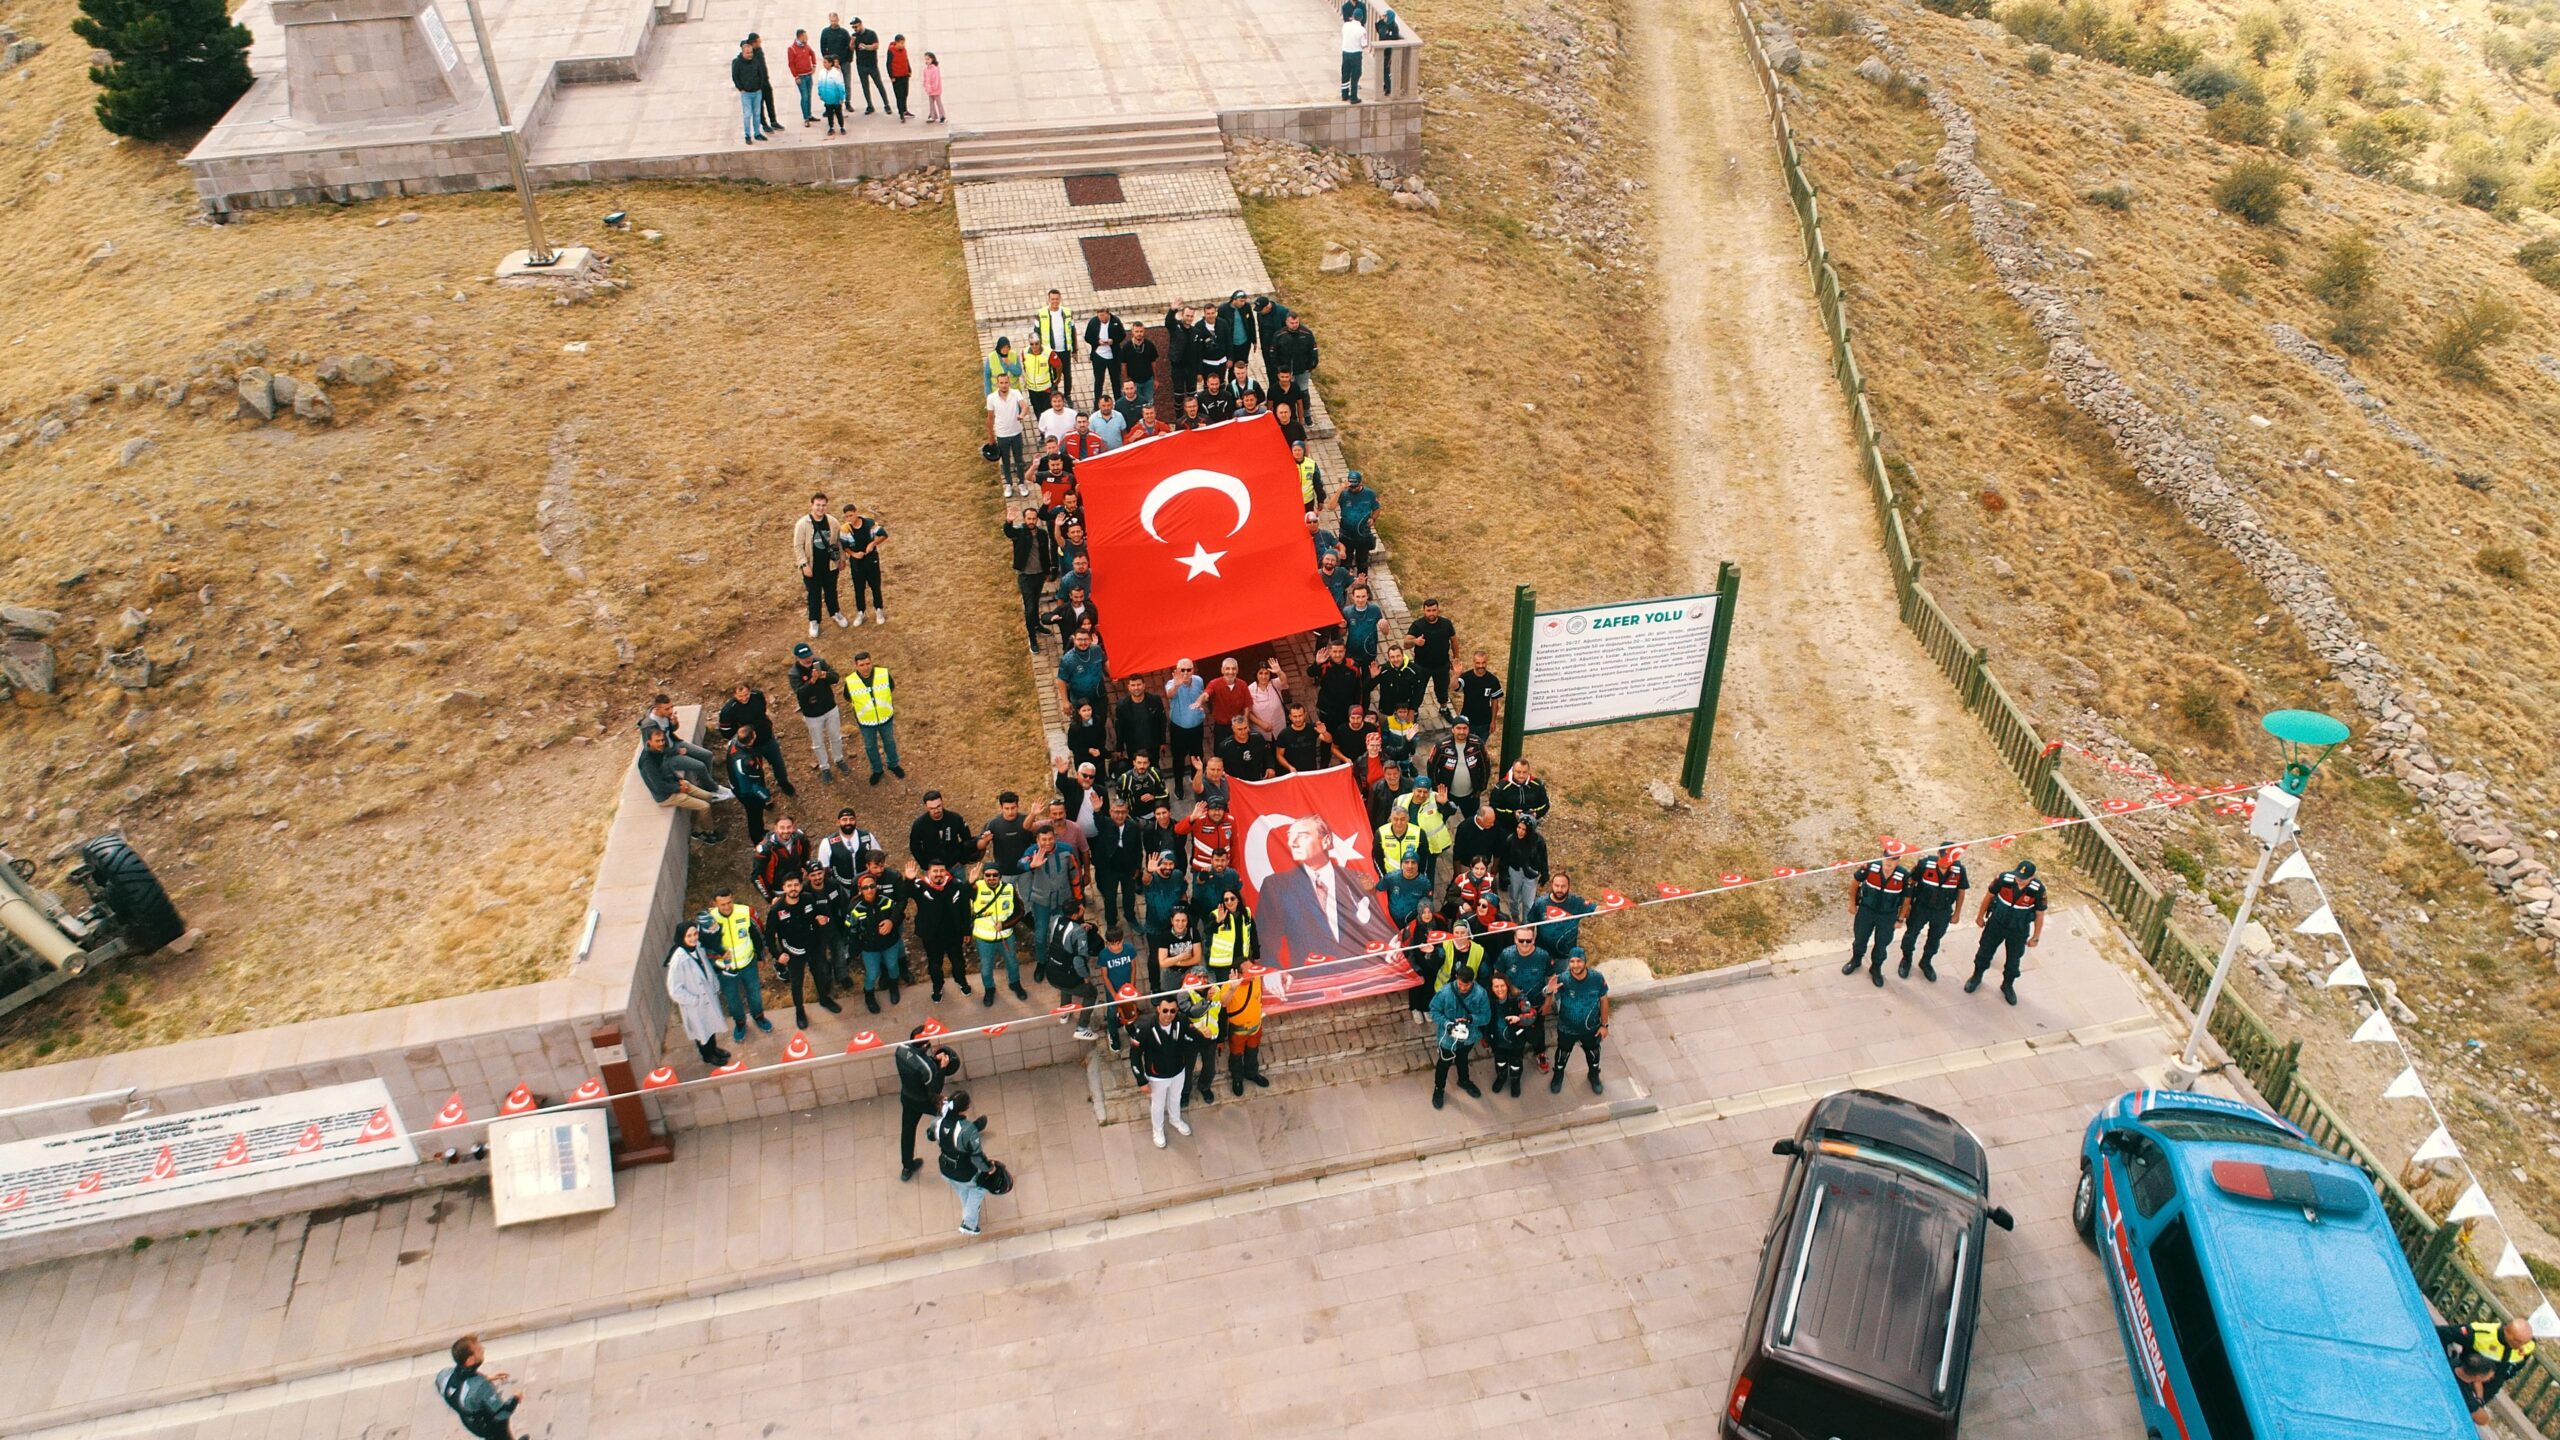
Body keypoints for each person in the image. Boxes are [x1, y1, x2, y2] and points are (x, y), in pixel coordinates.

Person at [1256, 813, 1396, 968]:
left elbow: (1373, 926)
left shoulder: (1356, 880)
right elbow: (1267, 941)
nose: (1292, 843)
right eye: (1290, 836)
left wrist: (1390, 946)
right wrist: (1272, 973)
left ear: (1326, 841)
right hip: (1310, 982)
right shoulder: (1277, 886)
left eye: (1302, 836)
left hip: (1357, 975)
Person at [765, 873, 841, 1027]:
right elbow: (768, 936)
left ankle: (824, 999)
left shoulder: (809, 899)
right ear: (784, 888)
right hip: (793, 953)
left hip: (813, 948)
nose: (793, 889)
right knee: (796, 983)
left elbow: (821, 914)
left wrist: (822, 920)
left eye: (796, 885)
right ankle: (799, 1011)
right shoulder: (777, 909)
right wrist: (778, 955)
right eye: (789, 885)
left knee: (819, 976)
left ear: (800, 886)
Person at [1966, 859, 2045, 1005]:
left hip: (2018, 929)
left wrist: (2036, 937)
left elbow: (2040, 914)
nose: (2019, 880)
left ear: (2032, 877)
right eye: (2018, 877)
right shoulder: (2004, 879)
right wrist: (1980, 916)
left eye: (2024, 878)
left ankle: (2007, 985)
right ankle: (1976, 976)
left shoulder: (2038, 890)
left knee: (2014, 960)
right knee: (1985, 951)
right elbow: (1988, 896)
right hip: (1997, 923)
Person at [2440, 1318, 2537, 1423]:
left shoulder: (2527, 1345)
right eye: (2518, 1341)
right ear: (2507, 1332)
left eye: (2525, 1342)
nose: (2521, 1346)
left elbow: (2521, 1360)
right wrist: (2444, 1362)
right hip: (2465, 1378)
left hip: (2488, 1387)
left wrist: (2507, 1374)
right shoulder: (2480, 1333)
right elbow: (2442, 1333)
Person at [894, 1024, 959, 1180]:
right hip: (926, 1100)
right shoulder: (928, 1068)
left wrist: (931, 1060)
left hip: (908, 1098)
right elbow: (935, 1088)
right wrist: (942, 1067)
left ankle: (907, 1167)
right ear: (924, 1045)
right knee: (951, 1111)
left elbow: (916, 1061)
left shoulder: (900, 1050)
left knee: (907, 1132)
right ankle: (966, 1131)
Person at [638, 728, 724, 844]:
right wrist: (678, 788)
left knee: (708, 796)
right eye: (657, 741)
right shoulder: (647, 763)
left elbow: (668, 769)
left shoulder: (659, 751)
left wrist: (679, 780)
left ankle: (698, 830)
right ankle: (709, 833)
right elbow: (658, 785)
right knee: (704, 807)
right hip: (666, 795)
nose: (661, 743)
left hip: (675, 784)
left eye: (663, 740)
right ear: (649, 742)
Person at [665, 923, 733, 1067]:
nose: (693, 938)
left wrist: (714, 985)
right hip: (695, 1004)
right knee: (701, 1032)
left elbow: (706, 966)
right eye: (689, 936)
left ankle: (714, 1049)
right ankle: (708, 1056)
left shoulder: (697, 948)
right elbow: (674, 990)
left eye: (695, 934)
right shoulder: (678, 960)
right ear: (682, 938)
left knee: (710, 1027)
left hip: (706, 996)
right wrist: (694, 1000)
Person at [707, 890, 772, 1040]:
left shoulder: (745, 912)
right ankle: (740, 1023)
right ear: (715, 904)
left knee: (754, 993)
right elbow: (705, 945)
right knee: (732, 998)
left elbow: (757, 935)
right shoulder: (709, 920)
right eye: (722, 904)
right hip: (725, 969)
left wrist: (761, 957)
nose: (727, 906)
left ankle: (759, 1017)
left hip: (748, 964)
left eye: (729, 902)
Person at [1899, 843, 1969, 980]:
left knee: (1935, 938)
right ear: (1938, 854)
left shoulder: (1959, 870)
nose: (1945, 864)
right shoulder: (1925, 865)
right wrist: (1906, 907)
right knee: (1910, 935)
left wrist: (1957, 913)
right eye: (1943, 859)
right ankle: (1906, 959)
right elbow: (1911, 882)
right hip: (1921, 907)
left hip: (1942, 911)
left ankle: (1926, 962)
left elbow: (1961, 891)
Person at [1133, 997, 1195, 1147]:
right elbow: (1134, 1055)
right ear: (1158, 1009)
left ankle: (1175, 1119)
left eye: (1173, 1011)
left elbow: (1193, 1035)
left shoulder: (1180, 1021)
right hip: (1157, 1077)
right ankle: (1158, 1130)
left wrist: (1204, 1034)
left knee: (1175, 1098)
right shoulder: (1146, 1028)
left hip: (1178, 1071)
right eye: (1165, 1010)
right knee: (1158, 1104)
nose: (1169, 1014)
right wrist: (1141, 1080)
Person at [1842, 853, 1911, 988]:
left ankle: (1876, 968)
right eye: (1887, 858)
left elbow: (1906, 899)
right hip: (1866, 911)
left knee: (1881, 945)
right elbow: (1855, 883)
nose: (1889, 862)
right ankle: (1856, 960)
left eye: (1893, 859)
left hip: (1887, 916)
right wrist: (1852, 903)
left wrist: (1900, 918)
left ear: (1898, 861)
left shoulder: (1903, 875)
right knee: (1860, 939)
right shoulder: (1871, 867)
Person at [435, 1335, 523, 1440]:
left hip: (470, 1423)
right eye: (479, 1350)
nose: (483, 1350)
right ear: (470, 1360)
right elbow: (502, 1413)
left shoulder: (444, 1375)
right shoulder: (481, 1387)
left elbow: (463, 1384)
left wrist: (486, 1378)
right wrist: (516, 1398)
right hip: (489, 1425)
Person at [907, 856, 971, 999]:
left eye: (941, 871)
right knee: (935, 965)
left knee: (958, 962)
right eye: (935, 871)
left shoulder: (957, 885)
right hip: (932, 936)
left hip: (953, 934)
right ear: (929, 872)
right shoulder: (920, 886)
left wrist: (967, 930)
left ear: (946, 872)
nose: (938, 874)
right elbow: (905, 893)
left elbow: (965, 910)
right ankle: (937, 987)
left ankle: (962, 981)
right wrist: (909, 880)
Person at [1547, 950, 1610, 1093]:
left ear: (1585, 961)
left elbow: (1604, 1001)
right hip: (1566, 1028)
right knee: (1562, 1054)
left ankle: (1593, 1075)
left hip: (1591, 1028)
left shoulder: (1597, 978)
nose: (1575, 965)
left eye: (1579, 961)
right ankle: (1558, 1074)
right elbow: (1548, 996)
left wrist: (1604, 1025)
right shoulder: (1563, 978)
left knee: (1594, 1054)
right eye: (1572, 961)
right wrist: (1549, 990)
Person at [1428, 965, 1489, 1108]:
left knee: (1463, 1058)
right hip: (1448, 1039)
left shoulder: (1481, 994)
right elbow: (1434, 1010)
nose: (1462, 988)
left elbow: (1486, 1017)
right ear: (1456, 978)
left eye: (1466, 986)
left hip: (1468, 1037)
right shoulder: (1445, 992)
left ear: (1472, 982)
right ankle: (1439, 1089)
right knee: (1444, 1063)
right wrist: (1447, 1024)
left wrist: (1471, 1019)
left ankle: (1464, 1080)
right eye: (1461, 984)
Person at [1041, 896, 1102, 1038]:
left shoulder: (1055, 919)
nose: (1082, 908)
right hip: (1067, 976)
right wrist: (1086, 976)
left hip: (1051, 972)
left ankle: (1065, 1012)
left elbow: (1063, 936)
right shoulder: (1078, 933)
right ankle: (1081, 1028)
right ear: (1075, 915)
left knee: (1064, 985)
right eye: (1080, 908)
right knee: (1091, 993)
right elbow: (1079, 961)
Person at [934, 1088, 992, 1235]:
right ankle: (969, 1224)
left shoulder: (938, 1122)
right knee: (979, 1188)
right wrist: (989, 1168)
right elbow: (976, 1156)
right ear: (965, 1108)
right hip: (964, 1171)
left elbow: (930, 1135)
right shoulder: (967, 1130)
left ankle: (971, 1209)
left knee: (962, 1189)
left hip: (946, 1168)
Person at [782, 644, 843, 783]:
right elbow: (800, 694)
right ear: (797, 658)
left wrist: (825, 675)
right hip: (812, 715)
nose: (808, 660)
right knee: (818, 743)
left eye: (809, 656)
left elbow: (836, 678)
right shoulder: (794, 673)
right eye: (804, 658)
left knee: (836, 737)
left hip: (830, 707)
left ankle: (839, 759)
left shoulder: (819, 663)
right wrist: (812, 681)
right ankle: (824, 767)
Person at [791, 493, 849, 638]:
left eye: (823, 505)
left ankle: (835, 612)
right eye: (818, 505)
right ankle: (814, 620)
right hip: (812, 566)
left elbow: (838, 542)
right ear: (811, 505)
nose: (820, 508)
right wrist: (804, 565)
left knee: (831, 590)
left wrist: (842, 559)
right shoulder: (803, 524)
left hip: (830, 565)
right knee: (814, 595)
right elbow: (798, 547)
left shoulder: (833, 522)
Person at [841, 650, 902, 783]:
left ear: (872, 662)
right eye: (862, 665)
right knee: (870, 747)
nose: (866, 667)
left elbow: (891, 687)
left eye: (868, 663)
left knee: (890, 743)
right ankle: (877, 770)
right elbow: (848, 697)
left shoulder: (883, 674)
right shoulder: (851, 681)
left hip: (885, 718)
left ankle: (893, 765)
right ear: (856, 666)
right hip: (866, 722)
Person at [968, 861, 1024, 1004]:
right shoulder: (976, 887)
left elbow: (1020, 912)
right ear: (983, 876)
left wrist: (1005, 925)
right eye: (987, 875)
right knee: (986, 969)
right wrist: (969, 883)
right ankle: (989, 989)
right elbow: (964, 894)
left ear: (1000, 876)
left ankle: (1015, 983)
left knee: (1012, 963)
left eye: (995, 875)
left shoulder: (1009, 889)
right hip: (984, 939)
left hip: (1006, 936)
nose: (991, 878)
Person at [849, 870, 904, 1011]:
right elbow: (852, 929)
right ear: (860, 890)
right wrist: (854, 948)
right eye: (866, 888)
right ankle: (869, 995)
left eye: (872, 886)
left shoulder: (886, 901)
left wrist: (891, 922)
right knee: (872, 973)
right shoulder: (855, 908)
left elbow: (899, 915)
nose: (870, 890)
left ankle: (893, 987)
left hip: (890, 943)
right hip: (869, 948)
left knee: (892, 966)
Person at [1483, 973, 1538, 1098]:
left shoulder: (1519, 998)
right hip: (1497, 1040)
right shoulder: (1487, 1000)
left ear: (1507, 985)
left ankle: (1515, 1081)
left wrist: (1519, 1018)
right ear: (1491, 988)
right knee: (1500, 1062)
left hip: (1516, 1041)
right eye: (1496, 986)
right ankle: (1501, 1077)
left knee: (1515, 1064)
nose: (1500, 989)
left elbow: (1532, 1014)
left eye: (1502, 986)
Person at [1406, 598, 1458, 720]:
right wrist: (1415, 641)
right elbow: (1406, 643)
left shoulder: (1446, 624)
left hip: (1442, 665)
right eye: (1428, 610)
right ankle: (1414, 711)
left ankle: (1444, 708)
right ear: (1423, 610)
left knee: (1442, 690)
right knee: (1418, 691)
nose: (1431, 613)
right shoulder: (1417, 625)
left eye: (1434, 610)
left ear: (1438, 610)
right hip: (1422, 666)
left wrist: (1456, 658)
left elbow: (1454, 640)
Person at [1220, 964, 1269, 1092]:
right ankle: (1237, 1079)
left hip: (1255, 1027)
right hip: (1238, 1030)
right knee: (1236, 1054)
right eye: (1249, 972)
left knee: (1253, 1051)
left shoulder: (1257, 979)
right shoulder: (1228, 986)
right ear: (1238, 974)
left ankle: (1252, 1073)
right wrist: (1232, 988)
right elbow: (1223, 1003)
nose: (1253, 973)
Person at [724, 724, 776, 843]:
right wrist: (765, 797)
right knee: (754, 815)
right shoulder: (746, 762)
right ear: (752, 739)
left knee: (756, 812)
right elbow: (751, 786)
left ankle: (759, 831)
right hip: (747, 793)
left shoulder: (734, 742)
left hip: (736, 782)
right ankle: (757, 838)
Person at [1428, 718, 1489, 817]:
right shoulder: (1441, 746)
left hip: (1471, 795)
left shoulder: (1477, 744)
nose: (1462, 732)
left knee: (1471, 821)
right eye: (1458, 728)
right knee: (1440, 818)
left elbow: (1485, 766)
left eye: (1465, 728)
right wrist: (1437, 790)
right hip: (1447, 795)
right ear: (1452, 729)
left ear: (1469, 729)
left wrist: (1481, 788)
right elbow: (1431, 768)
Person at [1165, 658, 1207, 795]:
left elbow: (1201, 695)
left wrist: (1201, 706)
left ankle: (1195, 780)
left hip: (1196, 726)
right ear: (1177, 671)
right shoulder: (1172, 683)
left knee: (1197, 756)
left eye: (1188, 669)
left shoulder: (1199, 680)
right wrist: (1177, 686)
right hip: (1179, 728)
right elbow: (1169, 694)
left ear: (1193, 670)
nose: (1185, 672)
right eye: (1182, 670)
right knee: (1178, 758)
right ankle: (1178, 785)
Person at [986, 371, 1031, 497]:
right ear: (997, 384)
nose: (1004, 385)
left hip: (1016, 432)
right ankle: (1008, 484)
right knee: (1005, 461)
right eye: (1001, 383)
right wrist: (991, 436)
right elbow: (990, 418)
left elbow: (1025, 407)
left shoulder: (1015, 393)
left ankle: (1021, 483)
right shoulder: (991, 398)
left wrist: (1021, 415)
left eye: (1006, 382)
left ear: (1009, 382)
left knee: (1019, 460)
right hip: (1002, 435)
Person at [842, 500, 886, 625]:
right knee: (858, 589)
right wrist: (854, 554)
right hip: (857, 564)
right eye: (847, 516)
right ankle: (861, 612)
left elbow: (883, 534)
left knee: (875, 586)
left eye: (851, 515)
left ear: (856, 513)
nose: (849, 518)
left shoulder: (869, 523)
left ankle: (879, 609)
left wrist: (873, 543)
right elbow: (844, 546)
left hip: (872, 561)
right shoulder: (845, 529)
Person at [1501, 815, 1548, 925]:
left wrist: (1545, 873)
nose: (1520, 832)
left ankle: (1526, 922)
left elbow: (1543, 858)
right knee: (1513, 897)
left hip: (1531, 874)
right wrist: (1504, 874)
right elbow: (1505, 858)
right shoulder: (1511, 840)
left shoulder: (1539, 841)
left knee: (1528, 902)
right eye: (1519, 828)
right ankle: (1515, 915)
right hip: (1515, 871)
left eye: (1524, 829)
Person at [1202, 887, 1257, 980]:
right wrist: (1218, 921)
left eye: (1232, 898)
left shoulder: (1246, 913)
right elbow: (1207, 930)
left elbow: (1253, 933)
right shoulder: (1216, 914)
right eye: (1226, 899)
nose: (1229, 902)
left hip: (1241, 958)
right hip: (1223, 964)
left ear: (1238, 899)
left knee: (1251, 981)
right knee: (1227, 991)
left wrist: (1256, 953)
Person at [752, 814, 811, 900]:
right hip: (779, 890)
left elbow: (806, 851)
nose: (786, 831)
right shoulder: (765, 849)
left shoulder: (799, 837)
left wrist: (804, 867)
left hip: (798, 884)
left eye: (789, 827)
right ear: (775, 828)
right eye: (782, 828)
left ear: (793, 827)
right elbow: (756, 877)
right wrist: (770, 898)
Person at [1487, 758, 1550, 833]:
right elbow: (1494, 808)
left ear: (1529, 771)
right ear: (1513, 770)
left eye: (1524, 772)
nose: (1521, 775)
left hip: (1529, 827)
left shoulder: (1537, 784)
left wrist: (1536, 813)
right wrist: (1513, 815)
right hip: (1507, 827)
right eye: (1518, 772)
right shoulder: (1501, 787)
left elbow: (1545, 804)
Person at [1454, 650, 1504, 739]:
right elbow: (1454, 687)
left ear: (1487, 662)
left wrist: (1493, 721)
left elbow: (1495, 701)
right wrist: (1456, 675)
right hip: (1467, 721)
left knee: (1480, 747)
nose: (1481, 666)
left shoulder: (1492, 680)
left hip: (1485, 723)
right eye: (1478, 663)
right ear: (1473, 662)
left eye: (1483, 663)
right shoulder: (1466, 677)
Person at [732, 37, 769, 144]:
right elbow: (735, 76)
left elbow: (761, 74)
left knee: (757, 114)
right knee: (747, 115)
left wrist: (760, 86)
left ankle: (757, 133)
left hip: (757, 92)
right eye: (747, 53)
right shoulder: (738, 63)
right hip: (746, 93)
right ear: (743, 52)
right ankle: (747, 135)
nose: (750, 55)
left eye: (751, 52)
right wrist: (741, 88)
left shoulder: (755, 61)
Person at [849, 14, 887, 113]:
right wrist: (852, 42)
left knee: (879, 84)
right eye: (853, 27)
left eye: (856, 26)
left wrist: (866, 47)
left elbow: (876, 46)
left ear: (861, 24)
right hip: (861, 65)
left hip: (872, 65)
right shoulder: (854, 36)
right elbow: (851, 49)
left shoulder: (871, 33)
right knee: (865, 86)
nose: (855, 29)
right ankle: (869, 105)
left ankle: (886, 104)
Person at [1120, 327, 1159, 412]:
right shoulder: (1126, 347)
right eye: (1136, 331)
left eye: (1141, 331)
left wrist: (1155, 379)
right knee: (1137, 404)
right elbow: (1123, 365)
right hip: (1134, 382)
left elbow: (1153, 363)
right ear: (1132, 332)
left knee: (1149, 403)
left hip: (1148, 380)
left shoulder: (1149, 345)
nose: (1139, 333)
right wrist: (1126, 381)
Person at [750, 34, 780, 133]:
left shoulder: (759, 50)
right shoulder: (750, 54)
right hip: (757, 85)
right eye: (758, 41)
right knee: (760, 105)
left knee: (770, 102)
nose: (760, 43)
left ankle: (773, 121)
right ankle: (764, 124)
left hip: (766, 82)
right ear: (753, 42)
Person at [786, 30, 817, 124]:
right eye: (805, 36)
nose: (807, 38)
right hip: (801, 77)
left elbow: (812, 53)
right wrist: (796, 76)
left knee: (809, 96)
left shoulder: (806, 46)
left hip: (808, 74)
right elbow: (791, 64)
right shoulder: (792, 49)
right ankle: (806, 117)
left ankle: (809, 114)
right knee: (804, 96)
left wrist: (814, 65)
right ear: (800, 37)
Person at [1340, 10, 1368, 100]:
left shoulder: (1346, 25)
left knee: (1345, 73)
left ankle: (1344, 94)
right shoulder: (1362, 30)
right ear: (1361, 18)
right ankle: (1353, 96)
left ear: (1353, 16)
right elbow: (1364, 45)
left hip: (1345, 52)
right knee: (1355, 75)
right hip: (1356, 54)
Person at [816, 58, 848, 133]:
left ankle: (842, 127)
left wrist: (842, 97)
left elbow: (840, 85)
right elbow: (820, 84)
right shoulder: (822, 72)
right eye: (823, 62)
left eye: (826, 62)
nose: (824, 64)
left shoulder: (836, 73)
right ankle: (831, 127)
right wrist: (820, 93)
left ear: (830, 63)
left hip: (836, 98)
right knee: (829, 113)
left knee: (838, 113)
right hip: (827, 98)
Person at [886, 35, 912, 119]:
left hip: (905, 75)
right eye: (901, 43)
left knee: (905, 93)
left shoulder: (904, 50)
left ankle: (905, 110)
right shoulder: (891, 51)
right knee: (899, 95)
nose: (903, 45)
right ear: (896, 42)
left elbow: (906, 60)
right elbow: (888, 64)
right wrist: (891, 76)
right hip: (896, 77)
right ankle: (901, 113)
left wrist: (909, 69)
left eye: (904, 43)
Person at [922, 51, 945, 123]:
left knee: (938, 103)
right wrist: (926, 86)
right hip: (929, 90)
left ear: (932, 59)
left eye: (928, 59)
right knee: (931, 103)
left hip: (936, 89)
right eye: (925, 59)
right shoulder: (925, 69)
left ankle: (942, 116)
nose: (926, 61)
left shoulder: (935, 68)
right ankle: (933, 115)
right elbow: (925, 79)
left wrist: (933, 88)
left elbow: (936, 79)